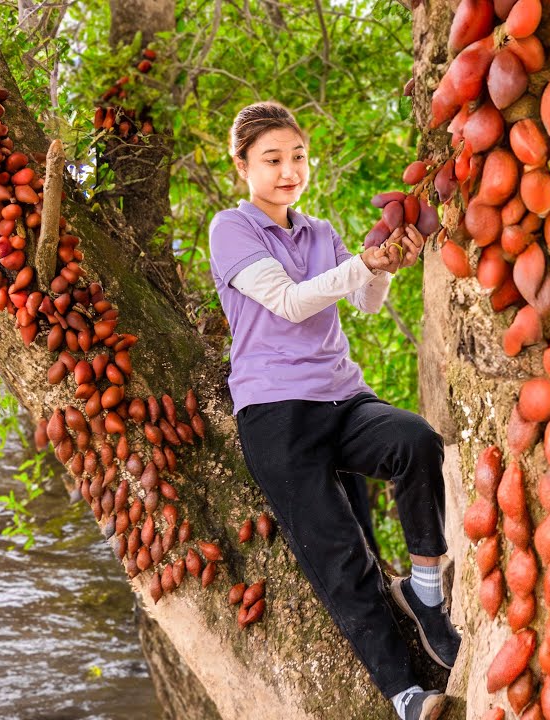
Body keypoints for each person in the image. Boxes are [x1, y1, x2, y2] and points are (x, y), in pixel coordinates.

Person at [207, 101, 458, 720]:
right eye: (272, 160)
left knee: (415, 440)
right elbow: (291, 302)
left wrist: (385, 267)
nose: (288, 171)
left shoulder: (319, 231)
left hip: (341, 396)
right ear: (242, 166)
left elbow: (366, 301)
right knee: (341, 557)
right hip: (275, 413)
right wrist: (362, 266)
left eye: (298, 157)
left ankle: (426, 592)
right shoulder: (231, 229)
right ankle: (404, 692)